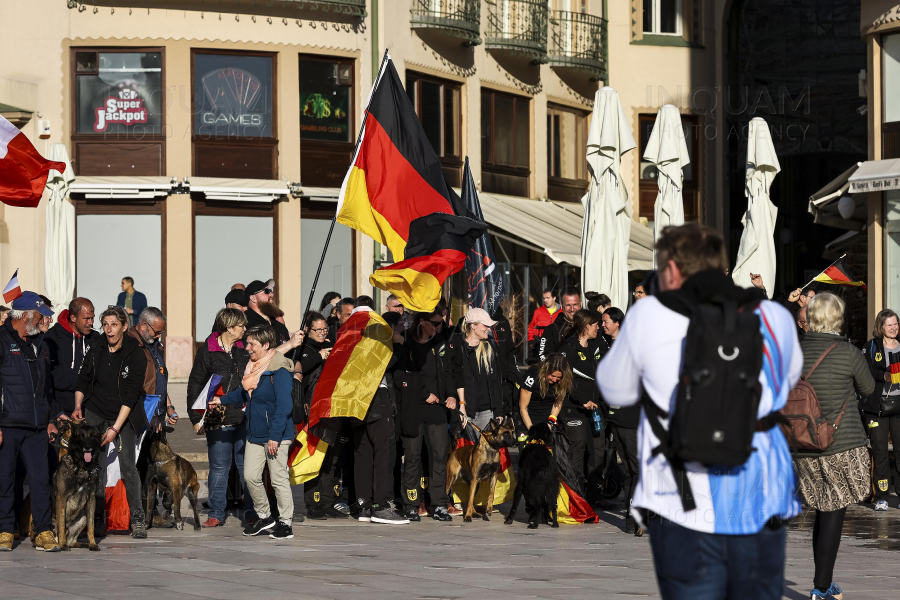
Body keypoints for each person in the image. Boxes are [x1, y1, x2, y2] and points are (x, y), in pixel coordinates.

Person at [597, 224, 803, 599]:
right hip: (761, 495)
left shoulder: (648, 316)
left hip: (681, 499)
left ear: (673, 271)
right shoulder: (774, 317)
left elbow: (614, 388)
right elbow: (787, 382)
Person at [793, 292, 875, 600]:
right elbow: (867, 388)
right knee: (833, 510)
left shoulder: (793, 351)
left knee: (823, 509)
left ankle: (823, 581)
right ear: (837, 319)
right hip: (841, 442)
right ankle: (822, 587)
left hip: (802, 442)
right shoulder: (848, 352)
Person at [210, 325, 296, 540]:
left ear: (266, 345)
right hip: (254, 433)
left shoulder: (279, 369)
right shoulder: (253, 368)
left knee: (278, 480)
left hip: (276, 435)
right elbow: (244, 392)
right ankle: (265, 516)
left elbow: (285, 406)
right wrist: (222, 400)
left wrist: (275, 436)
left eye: (252, 344)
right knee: (250, 477)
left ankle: (285, 522)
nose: (247, 347)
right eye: (247, 343)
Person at [73, 306, 149, 539]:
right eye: (105, 324)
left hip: (124, 413)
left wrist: (115, 428)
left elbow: (131, 395)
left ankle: (137, 517)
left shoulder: (135, 353)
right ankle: (97, 519)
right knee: (95, 465)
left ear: (125, 327)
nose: (109, 329)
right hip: (96, 409)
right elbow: (83, 377)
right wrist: (78, 405)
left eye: (114, 324)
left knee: (128, 465)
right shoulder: (96, 346)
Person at [0, 292, 60, 552]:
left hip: (37, 425)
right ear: (25, 316)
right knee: (5, 478)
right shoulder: (1, 340)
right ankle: (4, 528)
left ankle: (43, 531)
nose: (45, 320)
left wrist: (49, 419)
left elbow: (46, 387)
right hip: (8, 423)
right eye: (41, 315)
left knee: (40, 478)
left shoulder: (40, 343)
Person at [188, 308, 254, 527]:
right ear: (229, 327)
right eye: (241, 326)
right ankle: (216, 511)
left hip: (245, 415)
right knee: (219, 466)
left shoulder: (245, 348)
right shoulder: (207, 350)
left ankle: (252, 510)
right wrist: (195, 418)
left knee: (247, 466)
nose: (245, 329)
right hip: (218, 415)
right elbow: (195, 383)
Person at [350, 303, 407, 525]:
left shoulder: (349, 340)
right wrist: (398, 344)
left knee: (363, 453)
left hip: (354, 402)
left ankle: (364, 505)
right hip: (376, 400)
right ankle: (380, 505)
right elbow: (381, 365)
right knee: (383, 453)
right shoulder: (373, 339)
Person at [396, 311, 455, 522]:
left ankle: (438, 504)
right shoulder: (408, 345)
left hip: (437, 410)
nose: (438, 327)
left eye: (440, 324)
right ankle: (411, 504)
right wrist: (423, 394)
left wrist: (450, 395)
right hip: (414, 409)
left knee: (439, 456)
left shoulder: (440, 344)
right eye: (435, 323)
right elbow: (400, 377)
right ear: (422, 322)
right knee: (412, 458)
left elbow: (448, 372)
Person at [297, 312, 345, 520]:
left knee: (331, 459)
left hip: (332, 408)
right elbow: (300, 369)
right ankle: (313, 502)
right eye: (318, 329)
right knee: (314, 458)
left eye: (325, 329)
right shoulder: (302, 349)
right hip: (312, 410)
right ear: (308, 330)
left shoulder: (330, 344)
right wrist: (320, 356)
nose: (323, 333)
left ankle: (327, 501)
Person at [599, 307, 641, 534]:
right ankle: (634, 517)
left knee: (632, 469)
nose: (603, 325)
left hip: (627, 415)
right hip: (622, 418)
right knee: (634, 470)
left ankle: (632, 518)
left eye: (606, 321)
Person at [556, 309, 605, 484]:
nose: (598, 327)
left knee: (597, 451)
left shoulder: (593, 345)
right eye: (595, 324)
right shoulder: (567, 349)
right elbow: (562, 381)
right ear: (586, 326)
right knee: (577, 451)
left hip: (594, 408)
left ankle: (594, 492)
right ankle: (576, 497)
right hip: (574, 409)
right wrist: (582, 400)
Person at [862, 309, 900, 510]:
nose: (893, 328)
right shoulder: (871, 346)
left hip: (899, 407)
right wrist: (882, 376)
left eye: (896, 324)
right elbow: (864, 371)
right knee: (880, 451)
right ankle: (882, 496)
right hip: (877, 408)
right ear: (881, 327)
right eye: (889, 325)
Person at [449, 308, 506, 430]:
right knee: (467, 449)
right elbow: (453, 378)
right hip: (465, 411)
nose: (489, 329)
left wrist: (498, 410)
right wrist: (460, 406)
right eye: (485, 325)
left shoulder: (489, 346)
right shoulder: (457, 346)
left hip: (487, 412)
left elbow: (495, 381)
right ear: (473, 326)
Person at [45, 297, 99, 418]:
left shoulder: (96, 338)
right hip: (61, 411)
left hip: (90, 410)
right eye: (86, 319)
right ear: (73, 318)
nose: (90, 322)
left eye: (92, 318)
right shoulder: (53, 337)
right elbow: (52, 375)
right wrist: (83, 382)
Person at [518, 353, 571, 430]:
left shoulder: (563, 381)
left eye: (558, 377)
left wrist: (550, 423)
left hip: (546, 418)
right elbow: (523, 408)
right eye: (552, 375)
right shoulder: (532, 375)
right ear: (546, 370)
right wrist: (532, 430)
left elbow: (557, 404)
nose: (554, 380)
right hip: (527, 417)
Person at [537, 286, 582, 361]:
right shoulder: (551, 330)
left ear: (580, 304)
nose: (572, 309)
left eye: (575, 304)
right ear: (561, 305)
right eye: (568, 305)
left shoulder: (589, 325)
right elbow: (543, 356)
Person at [245, 280, 290, 346]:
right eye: (266, 291)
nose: (272, 294)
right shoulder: (245, 324)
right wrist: (289, 345)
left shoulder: (279, 327)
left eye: (271, 291)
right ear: (253, 298)